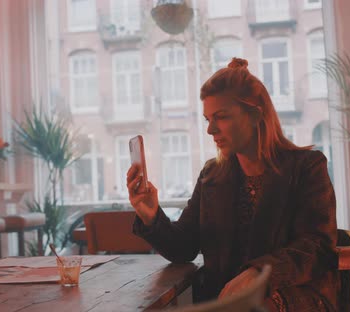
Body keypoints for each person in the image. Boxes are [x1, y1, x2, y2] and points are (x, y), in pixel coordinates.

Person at [127, 57, 338, 311]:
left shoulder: (306, 167)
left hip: (294, 297)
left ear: (255, 115)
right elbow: (184, 247)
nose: (210, 130)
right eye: (207, 119)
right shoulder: (212, 175)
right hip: (226, 302)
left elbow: (317, 246)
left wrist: (260, 274)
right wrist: (150, 215)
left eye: (221, 117)